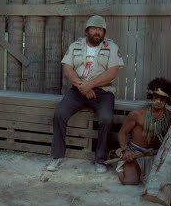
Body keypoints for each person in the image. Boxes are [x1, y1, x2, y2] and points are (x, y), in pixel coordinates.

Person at [47, 15, 124, 173]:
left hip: (104, 91)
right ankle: (57, 156)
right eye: (94, 29)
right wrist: (83, 86)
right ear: (87, 31)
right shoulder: (76, 45)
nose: (97, 32)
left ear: (104, 32)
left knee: (106, 118)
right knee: (60, 113)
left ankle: (101, 160)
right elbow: (67, 69)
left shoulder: (112, 47)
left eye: (100, 30)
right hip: (78, 89)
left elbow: (112, 73)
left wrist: (91, 85)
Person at [116, 77, 171, 185]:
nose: (158, 101)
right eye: (156, 97)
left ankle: (147, 173)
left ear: (167, 101)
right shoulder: (137, 114)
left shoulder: (170, 118)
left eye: (162, 98)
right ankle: (123, 169)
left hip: (156, 155)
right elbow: (122, 133)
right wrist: (125, 150)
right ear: (151, 97)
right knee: (130, 181)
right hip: (135, 154)